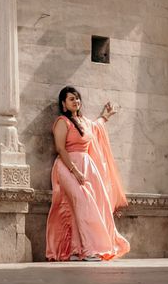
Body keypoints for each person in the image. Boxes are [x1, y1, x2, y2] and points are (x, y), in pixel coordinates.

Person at [45, 85, 130, 262]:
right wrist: (74, 171)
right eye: (71, 99)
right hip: (67, 166)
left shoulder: (84, 122)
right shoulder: (62, 121)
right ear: (63, 103)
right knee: (82, 202)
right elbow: (60, 148)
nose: (76, 101)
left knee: (86, 205)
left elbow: (96, 128)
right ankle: (90, 250)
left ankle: (76, 251)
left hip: (86, 165)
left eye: (77, 98)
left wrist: (105, 117)